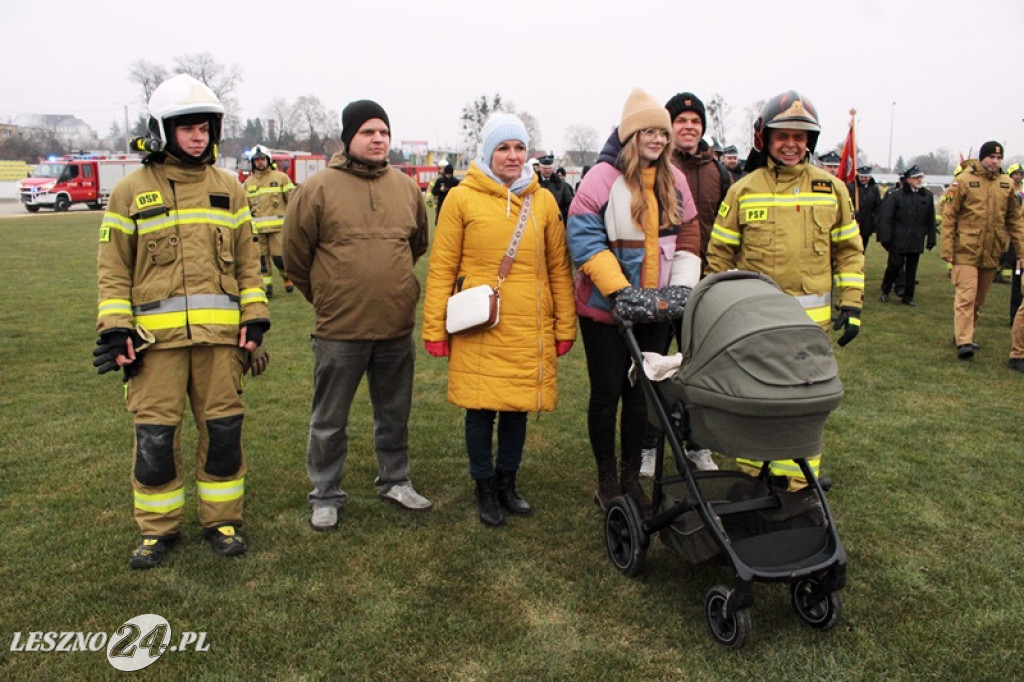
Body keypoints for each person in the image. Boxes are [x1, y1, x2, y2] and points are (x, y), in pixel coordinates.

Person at [94, 74, 270, 569]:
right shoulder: (130, 192)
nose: (198, 137)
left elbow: (248, 263)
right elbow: (113, 270)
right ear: (161, 132)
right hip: (155, 347)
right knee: (154, 441)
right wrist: (116, 328)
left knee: (224, 434)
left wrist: (255, 318)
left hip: (220, 344)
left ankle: (223, 522)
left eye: (204, 128)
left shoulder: (230, 190)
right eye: (187, 128)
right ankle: (157, 530)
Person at [283, 99, 432, 531]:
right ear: (348, 138)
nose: (377, 139)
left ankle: (395, 480)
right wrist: (328, 295)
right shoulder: (317, 188)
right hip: (339, 328)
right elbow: (294, 255)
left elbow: (416, 245)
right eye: (368, 132)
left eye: (383, 131)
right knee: (329, 420)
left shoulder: (406, 188)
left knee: (394, 414)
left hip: (394, 326)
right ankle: (325, 494)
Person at [422, 113, 576, 526]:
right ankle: (484, 487)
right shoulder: (460, 198)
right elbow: (441, 267)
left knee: (516, 410)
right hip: (479, 323)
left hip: (528, 324)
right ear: (488, 153)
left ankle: (508, 483)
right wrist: (434, 328)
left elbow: (559, 269)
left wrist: (565, 325)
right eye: (503, 148)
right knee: (480, 410)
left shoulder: (543, 201)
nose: (512, 155)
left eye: (519, 147)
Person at [706, 90, 864, 490]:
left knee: (804, 406)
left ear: (809, 140)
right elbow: (719, 257)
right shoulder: (743, 190)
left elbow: (849, 251)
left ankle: (797, 483)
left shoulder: (833, 190)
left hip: (810, 331)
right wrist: (714, 312)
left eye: (799, 136)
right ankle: (751, 478)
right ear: (766, 139)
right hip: (754, 328)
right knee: (754, 399)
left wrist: (852, 304)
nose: (791, 144)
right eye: (783, 136)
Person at [567, 87, 701, 512]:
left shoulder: (675, 180)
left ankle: (630, 477)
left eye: (662, 133)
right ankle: (607, 480)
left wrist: (680, 289)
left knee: (642, 396)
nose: (657, 139)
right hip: (605, 311)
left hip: (656, 310)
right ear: (630, 135)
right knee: (607, 394)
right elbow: (585, 239)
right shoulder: (601, 179)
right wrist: (621, 293)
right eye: (648, 132)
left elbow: (690, 235)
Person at [941, 141, 1024, 361]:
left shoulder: (1006, 184)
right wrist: (947, 248)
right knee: (966, 296)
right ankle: (964, 342)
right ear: (982, 158)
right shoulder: (963, 181)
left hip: (992, 250)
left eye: (998, 158)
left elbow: (1015, 221)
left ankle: (962, 333)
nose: (995, 162)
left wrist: (1021, 251)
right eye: (991, 157)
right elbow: (949, 216)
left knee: (978, 299)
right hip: (965, 249)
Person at [663, 92, 731, 269]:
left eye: (695, 121)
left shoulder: (720, 174)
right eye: (681, 121)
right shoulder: (655, 170)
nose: (689, 126)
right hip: (664, 274)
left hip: (709, 273)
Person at [877, 165, 935, 306]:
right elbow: (887, 218)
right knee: (894, 265)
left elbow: (930, 219)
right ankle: (885, 290)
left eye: (920, 177)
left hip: (916, 239)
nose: (919, 180)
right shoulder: (897, 196)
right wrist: (886, 238)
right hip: (898, 238)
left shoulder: (927, 196)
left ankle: (908, 297)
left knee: (911, 270)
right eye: (916, 178)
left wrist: (931, 238)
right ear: (908, 180)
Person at [244, 144, 295, 298]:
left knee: (280, 258)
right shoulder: (248, 183)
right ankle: (267, 287)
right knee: (262, 261)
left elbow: (293, 201)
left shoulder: (281, 178)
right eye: (256, 160)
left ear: (268, 160)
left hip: (278, 229)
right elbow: (244, 207)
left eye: (262, 159)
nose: (260, 162)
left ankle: (286, 277)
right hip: (257, 231)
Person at [847, 165, 881, 251]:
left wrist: (875, 221)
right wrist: (853, 212)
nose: (863, 179)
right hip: (854, 223)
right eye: (861, 177)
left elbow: (877, 206)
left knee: (863, 247)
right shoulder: (851, 187)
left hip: (867, 224)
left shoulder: (874, 189)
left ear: (869, 177)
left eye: (865, 177)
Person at [1007, 163, 1024, 324]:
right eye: (1016, 174)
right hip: (1018, 241)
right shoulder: (1008, 190)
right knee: (1018, 282)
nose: (1018, 176)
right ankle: (1015, 316)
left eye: (1021, 174)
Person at [536, 154, 574, 222]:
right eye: (545, 168)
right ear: (540, 168)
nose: (547, 171)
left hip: (556, 220)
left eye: (549, 168)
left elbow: (568, 203)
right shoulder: (534, 183)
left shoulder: (561, 184)